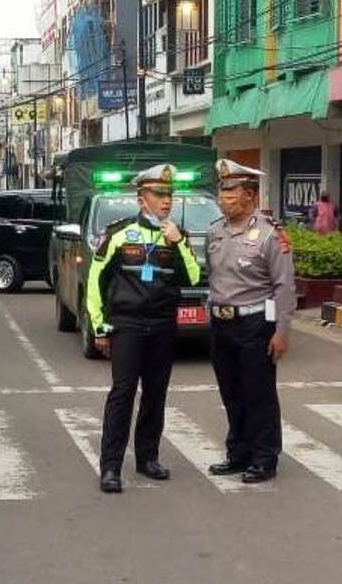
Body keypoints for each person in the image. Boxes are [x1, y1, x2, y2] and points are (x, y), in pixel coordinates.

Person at [86, 164, 201, 493]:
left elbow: (193, 278)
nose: (166, 201)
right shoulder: (119, 233)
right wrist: (99, 326)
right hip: (128, 325)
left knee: (155, 395)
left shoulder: (177, 235)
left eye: (169, 195)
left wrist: (178, 243)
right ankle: (110, 467)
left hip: (163, 325)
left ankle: (147, 458)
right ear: (141, 199)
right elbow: (96, 281)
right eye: (159, 195)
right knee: (122, 394)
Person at [205, 160, 297, 485]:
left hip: (255, 323)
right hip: (222, 325)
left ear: (249, 195)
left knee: (258, 393)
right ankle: (238, 452)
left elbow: (284, 286)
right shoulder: (215, 231)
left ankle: (264, 457)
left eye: (230, 191)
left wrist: (281, 331)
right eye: (222, 190)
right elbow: (213, 277)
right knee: (231, 392)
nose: (223, 196)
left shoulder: (272, 235)